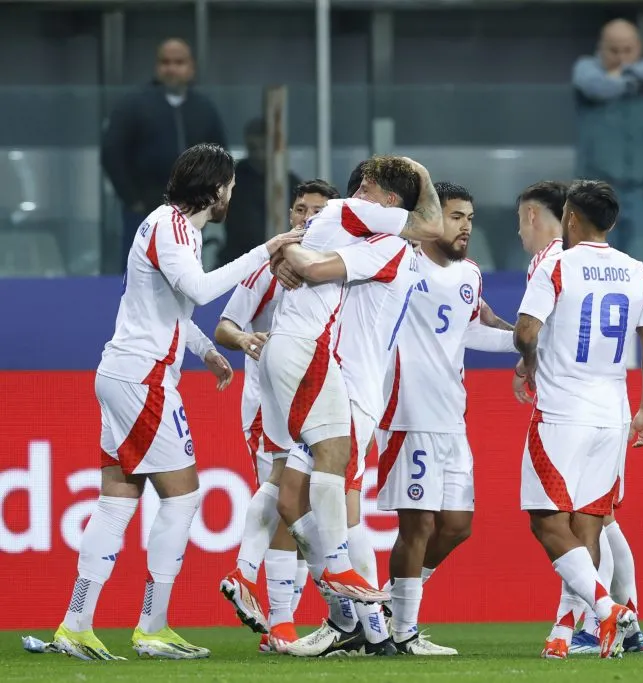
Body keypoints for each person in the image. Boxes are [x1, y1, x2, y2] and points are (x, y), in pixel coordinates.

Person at [51, 143, 301, 660]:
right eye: (230, 186)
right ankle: (152, 626)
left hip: (125, 372)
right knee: (182, 498)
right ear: (216, 189)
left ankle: (75, 624)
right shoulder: (172, 226)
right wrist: (267, 249)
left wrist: (206, 350)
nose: (232, 194)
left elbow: (169, 308)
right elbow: (201, 290)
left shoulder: (170, 226)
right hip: (142, 378)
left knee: (117, 500)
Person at [252, 156, 442, 638]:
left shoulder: (387, 246)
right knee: (293, 498)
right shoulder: (363, 235)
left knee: (335, 504)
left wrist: (288, 250)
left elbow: (317, 266)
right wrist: (288, 254)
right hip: (328, 376)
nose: (355, 195)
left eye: (366, 189)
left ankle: (369, 627)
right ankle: (347, 614)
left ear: (388, 201)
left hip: (353, 389)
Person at [515, 180, 643, 659]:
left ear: (571, 218)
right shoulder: (637, 271)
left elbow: (526, 331)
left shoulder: (555, 264)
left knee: (546, 522)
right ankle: (564, 632)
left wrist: (529, 363)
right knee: (589, 525)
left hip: (562, 411)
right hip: (612, 413)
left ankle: (607, 610)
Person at [365, 182, 517, 655]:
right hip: (408, 414)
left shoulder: (470, 273)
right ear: (430, 220)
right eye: (455, 217)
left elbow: (468, 332)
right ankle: (403, 632)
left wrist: (524, 342)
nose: (465, 226)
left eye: (469, 218)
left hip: (453, 418)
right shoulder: (400, 264)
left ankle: (389, 606)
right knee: (417, 527)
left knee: (456, 525)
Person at [215, 179, 340, 653]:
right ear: (290, 215)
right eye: (300, 209)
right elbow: (225, 325)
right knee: (288, 494)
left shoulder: (337, 265)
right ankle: (276, 616)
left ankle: (275, 614)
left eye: (318, 211)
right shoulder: (270, 265)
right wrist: (245, 339)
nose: (307, 218)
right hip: (269, 401)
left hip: (318, 394)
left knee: (300, 502)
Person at [101, 38, 227, 266]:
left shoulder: (204, 109)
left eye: (179, 62)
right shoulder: (133, 105)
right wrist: (133, 199)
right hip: (145, 212)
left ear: (191, 68)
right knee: (141, 271)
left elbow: (220, 157)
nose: (171, 68)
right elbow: (112, 153)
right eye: (165, 62)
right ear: (157, 67)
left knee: (185, 273)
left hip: (193, 212)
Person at [572, 19, 643, 263]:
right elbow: (596, 87)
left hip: (637, 187)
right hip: (596, 188)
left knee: (636, 255)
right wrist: (631, 81)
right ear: (601, 47)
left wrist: (629, 72)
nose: (621, 57)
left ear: (638, 48)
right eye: (614, 50)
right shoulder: (586, 67)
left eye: (627, 50)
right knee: (598, 256)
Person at [218, 118, 303, 266]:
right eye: (253, 148)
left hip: (278, 260)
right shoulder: (233, 179)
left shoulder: (289, 184)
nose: (259, 154)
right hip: (237, 259)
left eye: (263, 147)